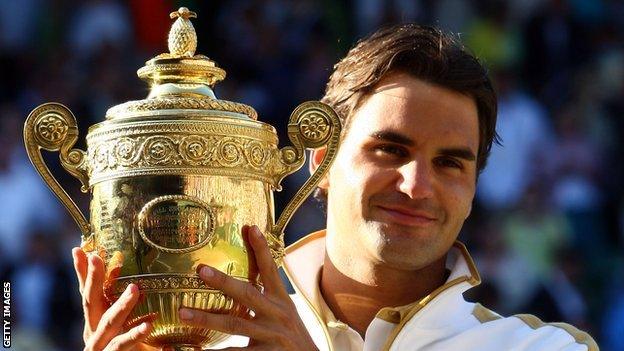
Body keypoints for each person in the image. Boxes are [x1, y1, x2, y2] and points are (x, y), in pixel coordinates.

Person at [72, 24, 598, 350]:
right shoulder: (204, 334)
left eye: (450, 164)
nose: (417, 186)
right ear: (321, 159)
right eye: (390, 150)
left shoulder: (538, 348)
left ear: (475, 186)